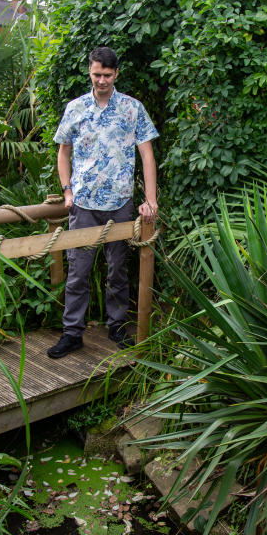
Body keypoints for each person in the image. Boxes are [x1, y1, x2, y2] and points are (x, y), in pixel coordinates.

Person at [47, 46, 159, 359]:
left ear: (116, 74)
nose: (101, 80)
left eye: (107, 75)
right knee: (78, 272)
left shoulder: (132, 109)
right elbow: (63, 152)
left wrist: (150, 200)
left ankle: (117, 326)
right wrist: (67, 191)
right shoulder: (76, 108)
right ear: (90, 72)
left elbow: (146, 154)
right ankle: (72, 333)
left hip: (121, 204)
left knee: (118, 271)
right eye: (97, 74)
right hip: (83, 205)